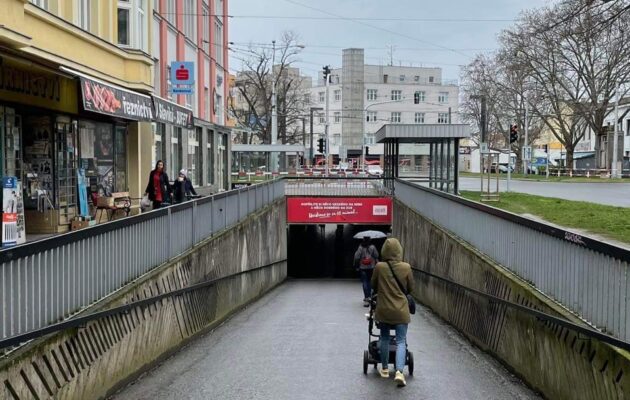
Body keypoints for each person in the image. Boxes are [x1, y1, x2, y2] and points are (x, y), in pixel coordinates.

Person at [370, 237, 414, 387]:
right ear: (399, 251)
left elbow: (373, 285)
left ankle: (383, 368)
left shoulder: (379, 267)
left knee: (384, 338)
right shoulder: (406, 267)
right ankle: (400, 372)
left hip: (384, 310)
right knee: (401, 341)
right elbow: (410, 289)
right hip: (401, 311)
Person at [353, 236, 379, 306]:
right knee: (370, 282)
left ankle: (366, 298)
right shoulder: (373, 247)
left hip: (363, 267)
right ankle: (370, 297)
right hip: (371, 267)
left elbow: (357, 257)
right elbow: (376, 255)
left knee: (364, 282)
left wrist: (357, 265)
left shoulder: (360, 247)